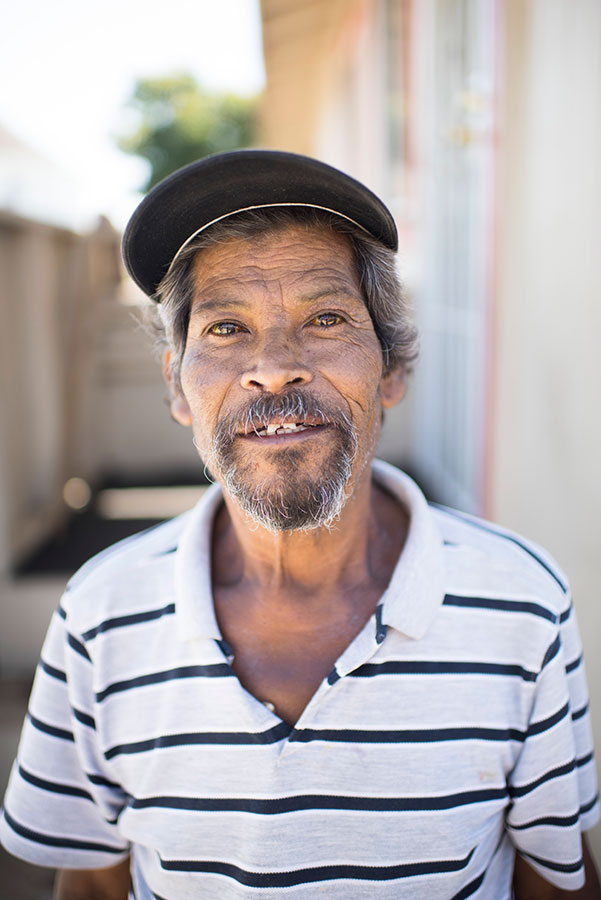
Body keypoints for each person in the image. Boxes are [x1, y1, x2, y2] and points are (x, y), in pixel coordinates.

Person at [1, 150, 599, 899]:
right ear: (177, 385)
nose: (274, 367)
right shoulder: (100, 614)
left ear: (390, 367)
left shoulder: (521, 602)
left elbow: (557, 879)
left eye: (324, 318)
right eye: (225, 328)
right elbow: (90, 885)